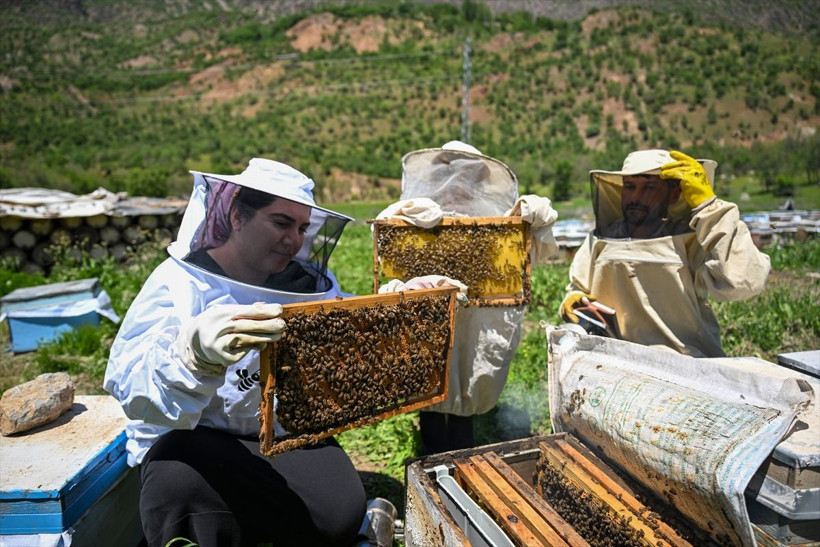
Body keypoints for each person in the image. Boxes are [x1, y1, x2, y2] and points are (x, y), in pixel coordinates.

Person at [104, 159, 369, 547]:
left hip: (280, 435)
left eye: (301, 228)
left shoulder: (309, 284)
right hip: (195, 443)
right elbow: (130, 386)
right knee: (178, 483)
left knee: (339, 511)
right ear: (237, 216)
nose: (294, 240)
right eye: (281, 223)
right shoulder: (180, 283)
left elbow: (344, 330)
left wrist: (399, 299)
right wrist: (191, 357)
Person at [378, 141, 558, 455]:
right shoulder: (417, 215)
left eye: (467, 178)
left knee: (467, 376)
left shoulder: (494, 222)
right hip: (429, 314)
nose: (456, 185)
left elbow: (518, 253)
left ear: (477, 183)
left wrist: (528, 219)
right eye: (450, 176)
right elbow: (390, 249)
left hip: (475, 316)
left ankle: (463, 454)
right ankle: (431, 453)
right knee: (429, 376)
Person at [559, 149, 771, 358]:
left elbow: (741, 282)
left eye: (649, 188)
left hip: (687, 361)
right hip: (615, 359)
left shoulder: (693, 240)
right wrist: (574, 300)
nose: (636, 197)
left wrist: (711, 209)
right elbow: (579, 287)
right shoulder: (600, 239)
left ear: (674, 194)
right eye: (630, 187)